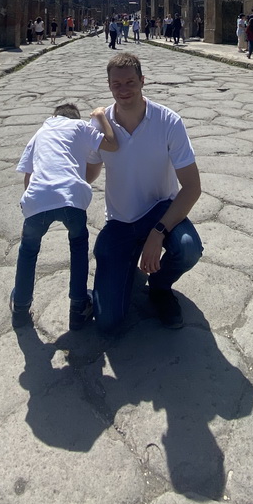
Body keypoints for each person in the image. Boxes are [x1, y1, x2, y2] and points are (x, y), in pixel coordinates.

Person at [86, 52, 203, 332]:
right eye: (117, 84)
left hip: (160, 209)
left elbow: (192, 187)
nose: (123, 90)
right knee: (107, 323)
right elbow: (89, 175)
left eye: (130, 82)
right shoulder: (100, 126)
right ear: (109, 85)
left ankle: (160, 287)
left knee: (188, 249)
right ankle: (120, 271)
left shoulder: (168, 122)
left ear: (142, 81)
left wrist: (158, 231)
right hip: (121, 219)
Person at [11, 102, 118, 330]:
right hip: (71, 197)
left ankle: (20, 307)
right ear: (75, 117)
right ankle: (78, 307)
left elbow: (28, 175)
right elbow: (112, 143)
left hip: (38, 198)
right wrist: (101, 117)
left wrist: (29, 204)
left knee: (28, 252)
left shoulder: (40, 133)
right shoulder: (79, 127)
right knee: (78, 247)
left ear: (54, 116)